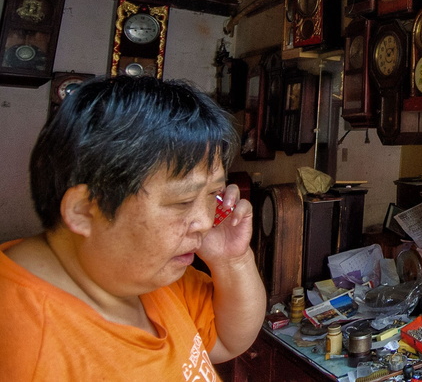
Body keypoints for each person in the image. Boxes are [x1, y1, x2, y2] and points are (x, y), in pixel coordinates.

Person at [0, 76, 267, 380]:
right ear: (85, 210)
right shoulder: (29, 352)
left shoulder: (139, 271)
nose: (206, 222)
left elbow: (225, 340)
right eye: (182, 201)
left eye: (212, 195)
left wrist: (232, 259)